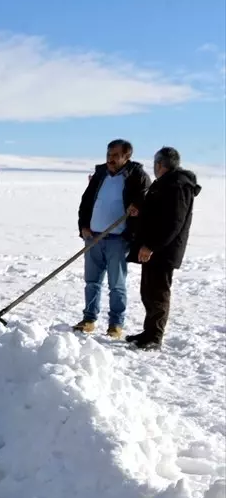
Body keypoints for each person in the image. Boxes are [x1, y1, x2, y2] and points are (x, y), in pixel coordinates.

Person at [73, 139, 150, 339]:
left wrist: (137, 208)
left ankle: (116, 324)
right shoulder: (100, 175)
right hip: (93, 237)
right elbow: (86, 201)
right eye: (109, 155)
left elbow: (147, 199)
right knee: (92, 281)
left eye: (116, 155)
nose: (111, 159)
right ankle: (89, 319)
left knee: (116, 284)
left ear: (127, 157)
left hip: (118, 239)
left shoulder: (136, 177)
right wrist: (83, 226)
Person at [127, 147, 201, 351]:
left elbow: (173, 222)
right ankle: (148, 332)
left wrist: (151, 246)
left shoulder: (177, 185)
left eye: (155, 164)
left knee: (158, 293)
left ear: (160, 164)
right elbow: (157, 212)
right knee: (148, 292)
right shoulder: (166, 183)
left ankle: (154, 337)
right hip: (155, 249)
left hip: (162, 250)